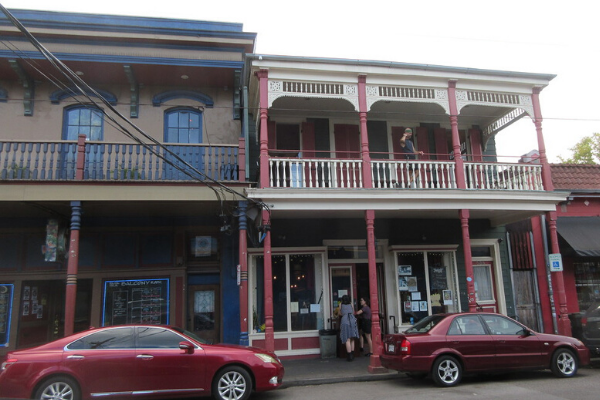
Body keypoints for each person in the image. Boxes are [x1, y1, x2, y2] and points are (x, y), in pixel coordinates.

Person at [339, 294, 359, 361]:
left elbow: (340, 313)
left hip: (345, 320)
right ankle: (353, 354)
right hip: (352, 320)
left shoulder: (341, 304)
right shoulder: (351, 304)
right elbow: (353, 312)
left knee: (347, 339)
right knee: (352, 338)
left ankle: (349, 355)